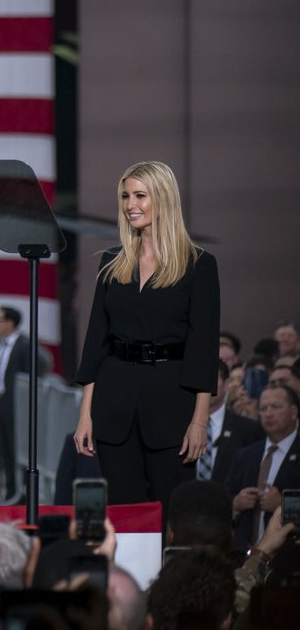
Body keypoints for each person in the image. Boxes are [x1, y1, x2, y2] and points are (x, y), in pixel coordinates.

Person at [74, 160, 219, 514]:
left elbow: (204, 348)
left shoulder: (199, 264)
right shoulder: (111, 262)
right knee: (124, 516)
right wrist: (85, 415)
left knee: (172, 513)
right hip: (114, 404)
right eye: (125, 196)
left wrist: (199, 422)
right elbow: (96, 342)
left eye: (140, 195)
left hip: (173, 407)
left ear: (163, 199)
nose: (130, 205)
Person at [226, 383, 300, 552]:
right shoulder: (245, 455)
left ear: (294, 412)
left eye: (276, 407)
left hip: (288, 562)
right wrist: (236, 504)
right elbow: (225, 496)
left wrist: (283, 505)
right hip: (242, 557)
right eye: (263, 408)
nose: (268, 413)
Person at [0, 304, 43, 504]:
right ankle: (9, 489)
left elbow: (31, 375)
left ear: (10, 323)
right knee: (3, 450)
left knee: (16, 449)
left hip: (16, 405)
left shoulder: (24, 346)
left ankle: (21, 492)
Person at [198, 361, 264, 485]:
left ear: (226, 384)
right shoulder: (177, 426)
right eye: (198, 380)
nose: (204, 386)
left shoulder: (248, 429)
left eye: (211, 379)